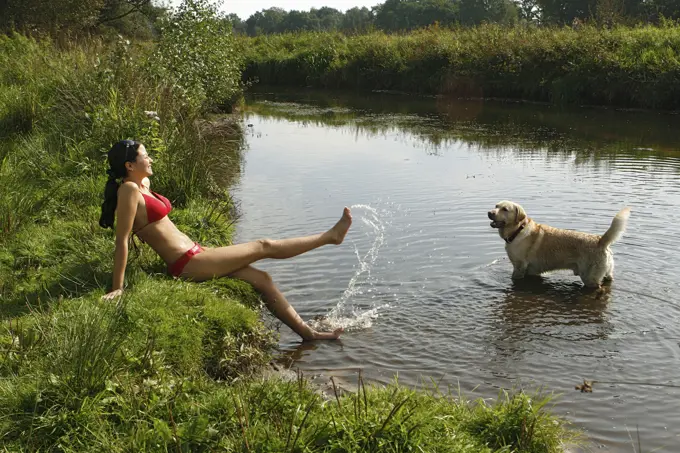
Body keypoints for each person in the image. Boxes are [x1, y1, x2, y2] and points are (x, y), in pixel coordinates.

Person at [99, 139, 351, 341]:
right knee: (264, 245)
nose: (150, 158)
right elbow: (121, 240)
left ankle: (309, 334)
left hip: (198, 252)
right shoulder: (129, 191)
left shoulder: (143, 183)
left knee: (263, 279)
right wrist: (118, 287)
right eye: (145, 155)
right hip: (187, 264)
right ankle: (330, 237)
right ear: (130, 165)